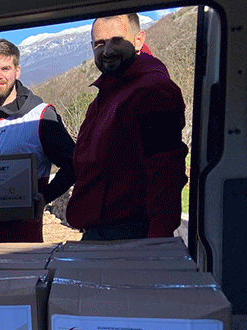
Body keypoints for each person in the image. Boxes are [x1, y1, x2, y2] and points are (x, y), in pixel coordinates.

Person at [66, 13, 188, 240]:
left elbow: (166, 173)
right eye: (99, 44)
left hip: (132, 235)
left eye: (117, 40)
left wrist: (155, 244)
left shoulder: (152, 91)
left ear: (139, 40)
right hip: (101, 234)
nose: (107, 51)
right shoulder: (104, 98)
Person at [0, 38, 76, 243]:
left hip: (23, 246)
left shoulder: (41, 116)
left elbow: (73, 164)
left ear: (17, 71)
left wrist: (45, 196)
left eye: (5, 68)